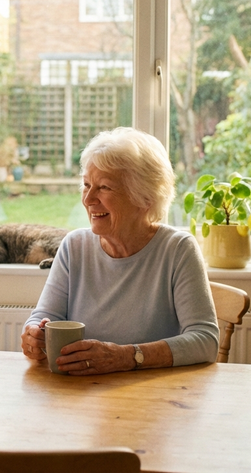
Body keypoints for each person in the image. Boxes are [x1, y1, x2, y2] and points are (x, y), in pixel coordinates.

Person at [20, 127, 218, 374]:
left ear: (144, 198)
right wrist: (34, 336)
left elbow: (205, 341)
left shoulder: (177, 249)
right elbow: (43, 316)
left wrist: (128, 356)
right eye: (86, 185)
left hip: (154, 397)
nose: (88, 199)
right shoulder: (74, 247)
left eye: (104, 187)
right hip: (82, 395)